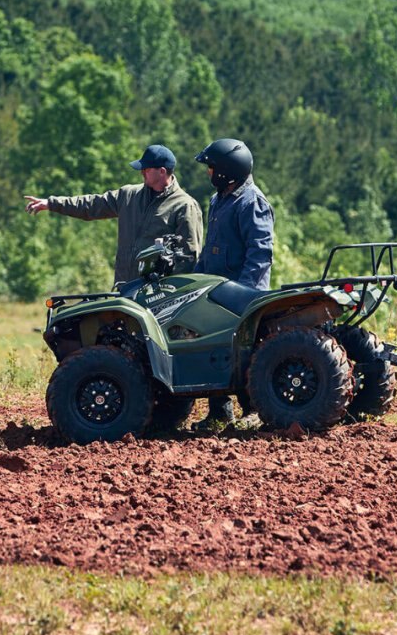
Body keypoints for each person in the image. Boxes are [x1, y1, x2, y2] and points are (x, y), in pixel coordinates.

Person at [24, 144, 203, 288]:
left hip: (158, 295)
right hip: (124, 289)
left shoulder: (185, 206)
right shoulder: (128, 195)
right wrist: (52, 203)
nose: (142, 173)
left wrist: (171, 294)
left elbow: (188, 258)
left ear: (162, 171)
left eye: (146, 169)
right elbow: (91, 205)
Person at [193, 137, 275, 428]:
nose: (208, 172)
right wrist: (197, 278)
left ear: (228, 170)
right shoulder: (219, 200)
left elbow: (260, 252)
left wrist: (244, 294)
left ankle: (253, 410)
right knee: (215, 345)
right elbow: (210, 247)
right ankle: (219, 412)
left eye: (212, 168)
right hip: (215, 289)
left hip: (243, 293)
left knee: (246, 350)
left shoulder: (252, 202)